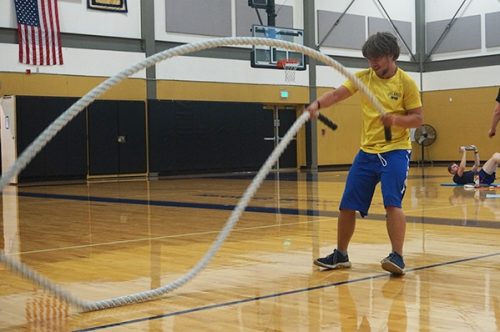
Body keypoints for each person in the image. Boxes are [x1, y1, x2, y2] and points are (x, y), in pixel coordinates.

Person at [307, 32, 423, 275]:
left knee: (392, 202)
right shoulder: (362, 78)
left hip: (395, 151)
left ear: (391, 55)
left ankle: (397, 257)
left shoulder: (406, 83)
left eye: (377, 58)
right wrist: (317, 104)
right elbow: (337, 94)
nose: (373, 63)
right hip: (367, 152)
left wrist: (395, 120)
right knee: (347, 205)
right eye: (370, 59)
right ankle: (340, 254)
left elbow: (418, 120)